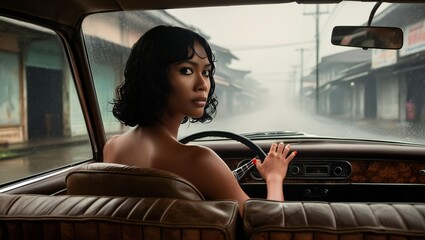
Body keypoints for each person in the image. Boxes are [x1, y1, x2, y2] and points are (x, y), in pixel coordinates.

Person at [103, 25, 297, 214]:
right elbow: (269, 227)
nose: (202, 84)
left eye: (206, 72)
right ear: (153, 76)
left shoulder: (112, 147)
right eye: (186, 70)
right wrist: (273, 176)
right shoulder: (199, 161)